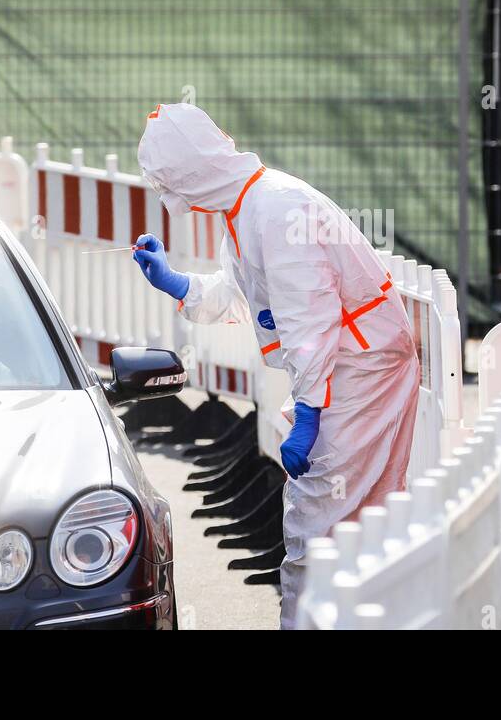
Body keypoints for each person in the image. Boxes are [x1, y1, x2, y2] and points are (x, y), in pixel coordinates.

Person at [131, 103, 420, 629]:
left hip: (358, 371)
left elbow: (310, 323)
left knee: (318, 523)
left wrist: (310, 413)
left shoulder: (275, 210)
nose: (175, 200)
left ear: (190, 173)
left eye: (170, 184)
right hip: (350, 367)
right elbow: (245, 294)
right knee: (356, 522)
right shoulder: (251, 207)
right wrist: (178, 284)